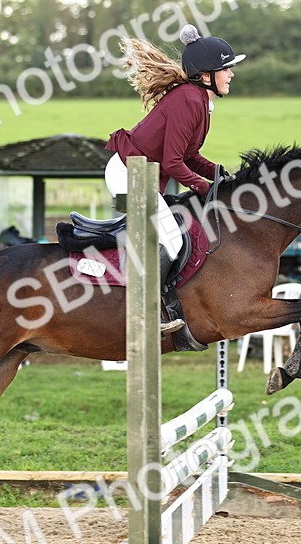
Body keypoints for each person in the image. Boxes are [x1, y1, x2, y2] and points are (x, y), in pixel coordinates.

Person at [104, 23, 245, 337]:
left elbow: (189, 155)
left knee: (172, 234)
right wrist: (205, 187)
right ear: (206, 75)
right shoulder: (188, 101)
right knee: (171, 238)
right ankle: (147, 314)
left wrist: (220, 175)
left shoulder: (200, 102)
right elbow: (173, 162)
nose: (231, 74)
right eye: (226, 69)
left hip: (141, 173)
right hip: (127, 173)